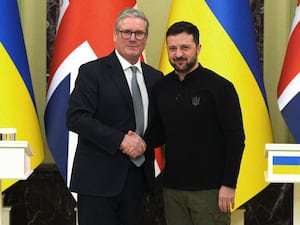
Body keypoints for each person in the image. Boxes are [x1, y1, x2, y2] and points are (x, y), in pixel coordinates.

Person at [66, 8, 163, 225]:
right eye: (126, 32)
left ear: (146, 38)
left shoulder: (156, 78)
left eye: (139, 33)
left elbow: (160, 126)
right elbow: (76, 117)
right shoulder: (92, 72)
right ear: (115, 35)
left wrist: (143, 144)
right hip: (97, 181)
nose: (132, 38)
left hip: (137, 180)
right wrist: (121, 140)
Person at [152, 21, 245, 225]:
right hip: (173, 190)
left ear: (198, 48)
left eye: (185, 47)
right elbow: (158, 133)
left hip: (210, 192)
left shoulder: (220, 87)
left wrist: (229, 184)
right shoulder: (161, 88)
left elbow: (236, 139)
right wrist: (129, 139)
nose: (178, 54)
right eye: (173, 48)